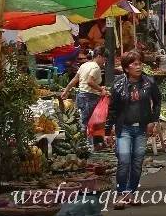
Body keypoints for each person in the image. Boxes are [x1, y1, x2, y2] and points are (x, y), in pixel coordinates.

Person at [104, 51, 160, 207]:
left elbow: (157, 102)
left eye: (140, 63)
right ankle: (121, 194)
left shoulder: (149, 82)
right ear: (126, 68)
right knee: (124, 161)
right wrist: (107, 131)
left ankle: (131, 193)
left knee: (137, 163)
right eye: (134, 64)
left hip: (141, 128)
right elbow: (112, 109)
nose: (138, 67)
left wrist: (153, 121)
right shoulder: (118, 85)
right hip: (124, 129)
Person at [62, 49, 107, 149]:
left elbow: (75, 79)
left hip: (81, 96)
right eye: (104, 58)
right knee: (88, 122)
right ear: (99, 56)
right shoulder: (96, 67)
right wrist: (101, 89)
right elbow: (90, 82)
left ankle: (85, 144)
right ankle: (85, 145)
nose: (105, 61)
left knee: (82, 121)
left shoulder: (84, 65)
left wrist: (66, 90)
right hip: (90, 97)